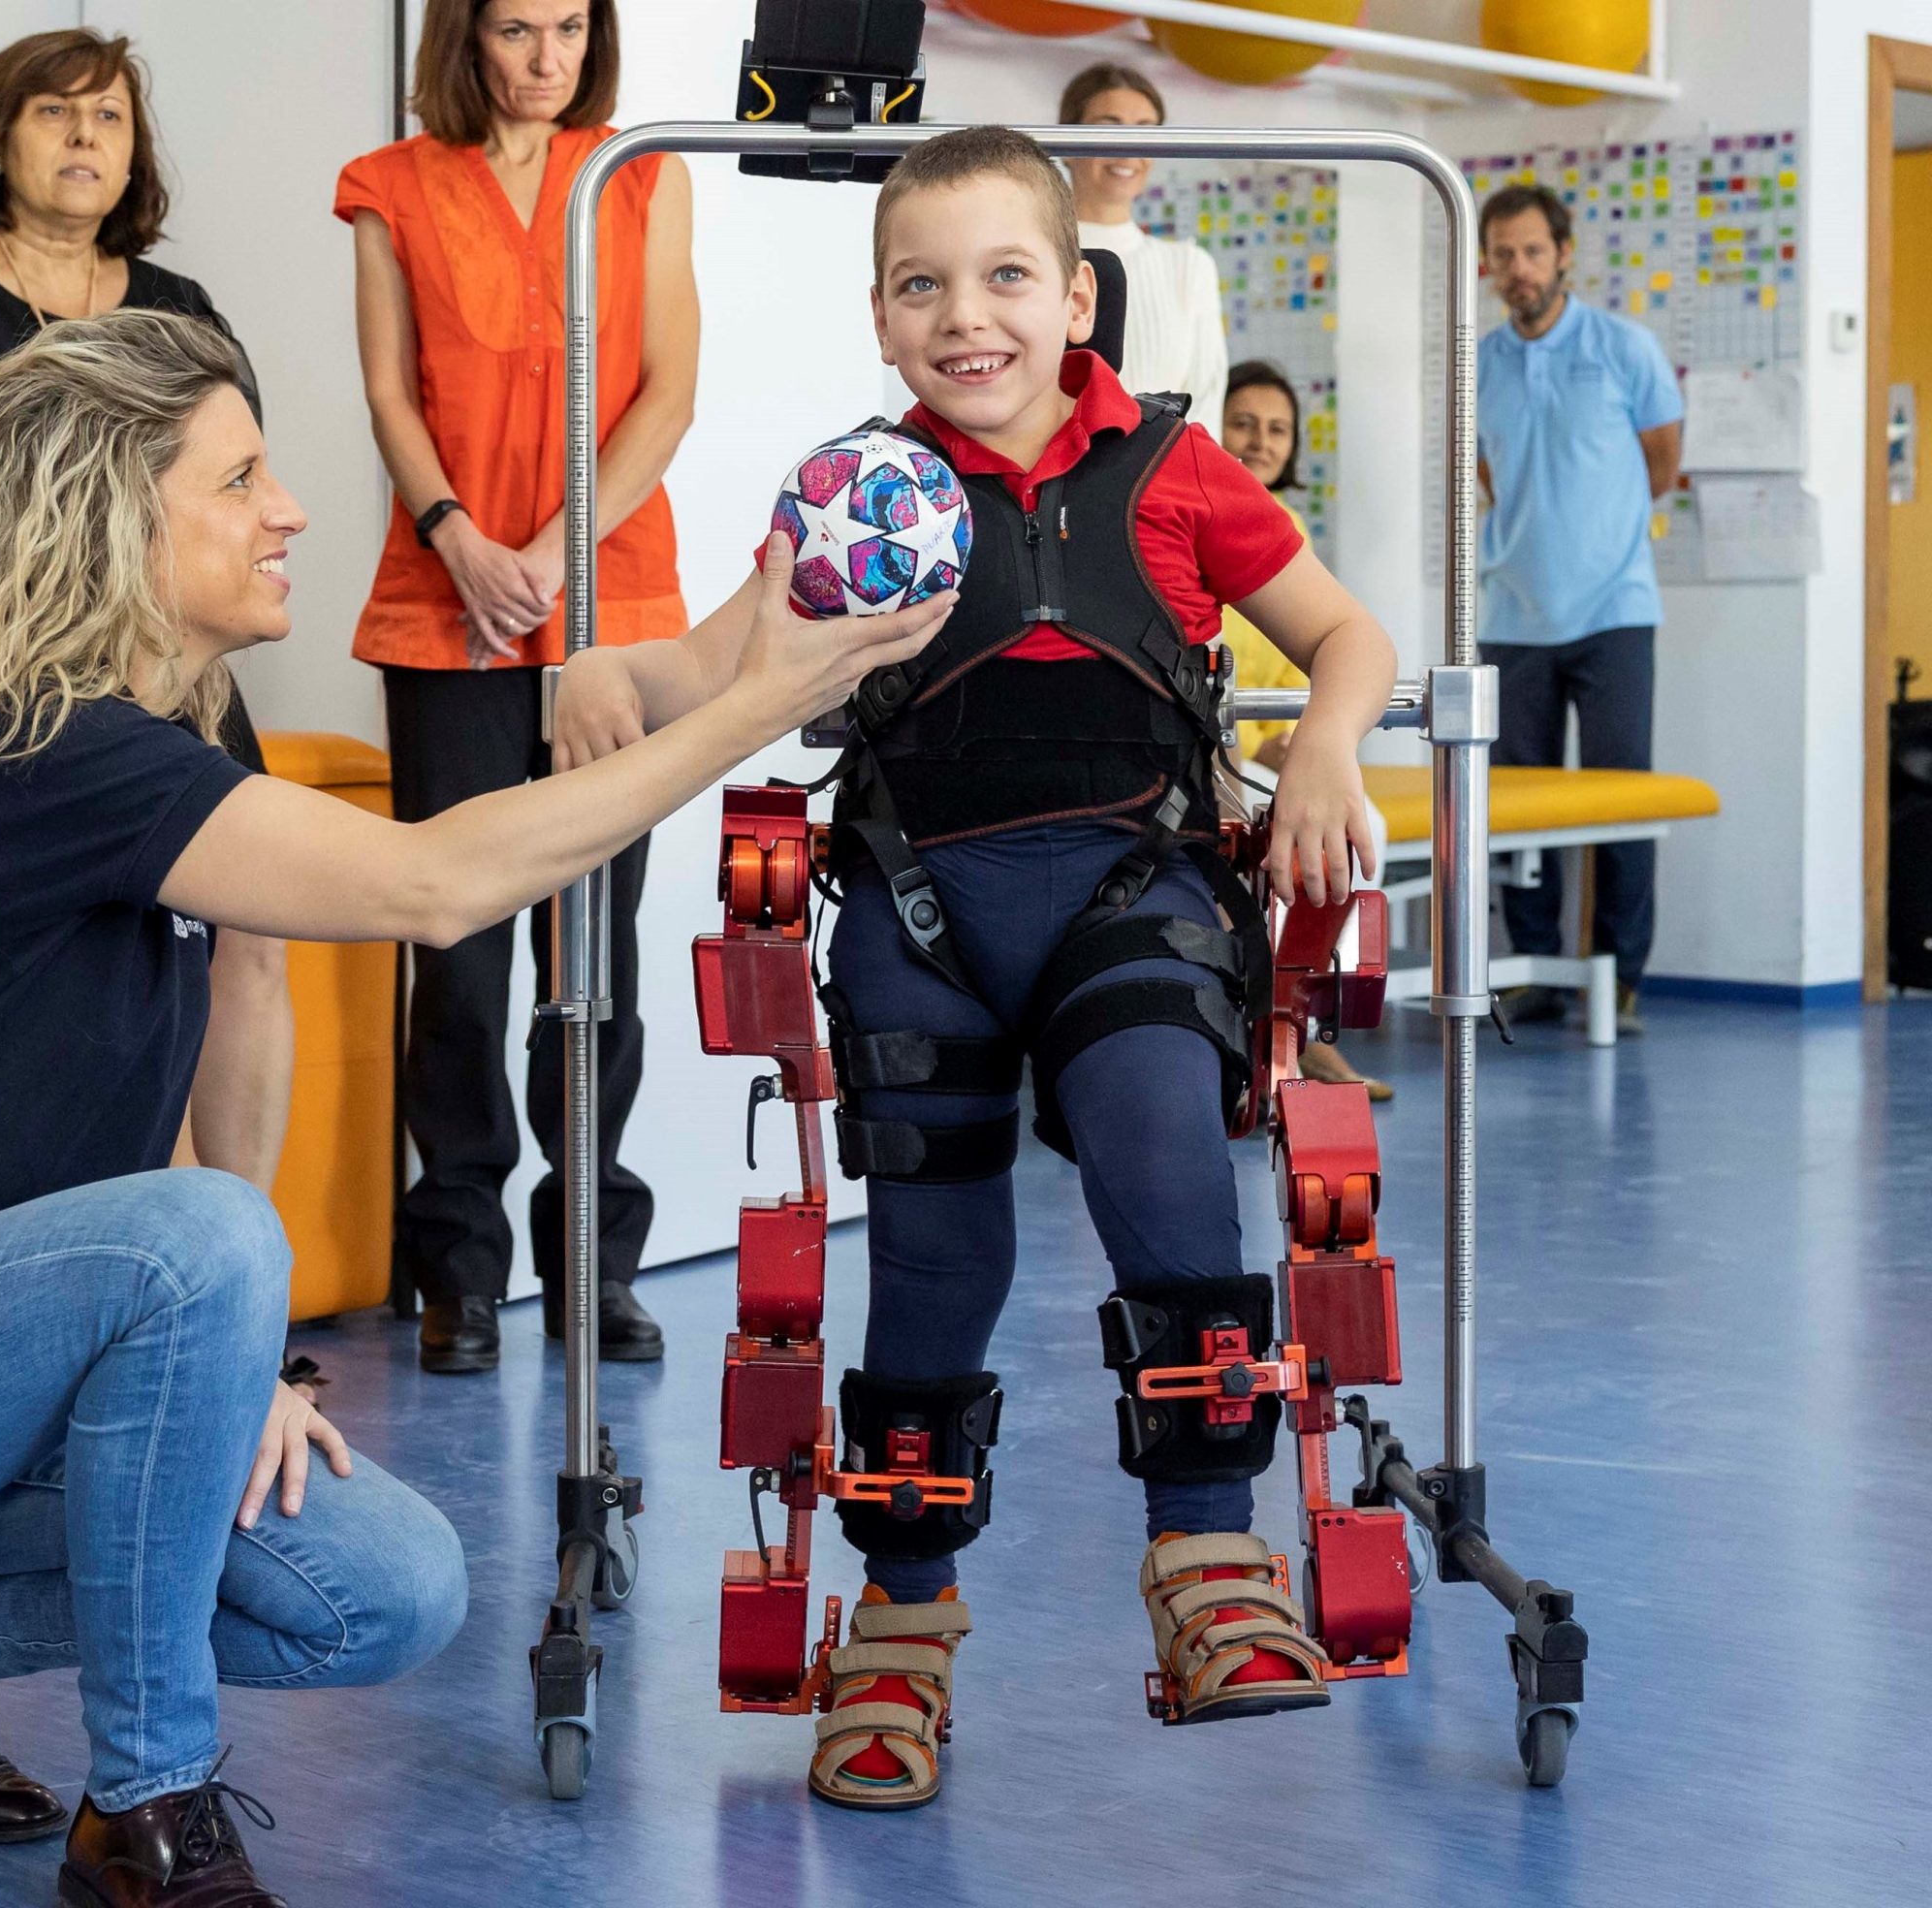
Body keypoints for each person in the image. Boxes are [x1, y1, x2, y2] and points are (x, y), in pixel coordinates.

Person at [0, 307, 950, 1903]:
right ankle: (148, 1815)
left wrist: (202, 1358)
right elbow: (434, 883)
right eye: (240, 478)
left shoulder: (134, 749)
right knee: (209, 1233)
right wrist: (750, 713)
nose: (292, 511)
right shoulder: (42, 750)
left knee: (384, 1588)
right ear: (115, 517)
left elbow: (75, 1141)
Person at [554, 127, 1398, 1811]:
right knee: (934, 1264)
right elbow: (718, 664)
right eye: (922, 286)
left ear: (1077, 298)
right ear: (881, 317)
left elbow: (1346, 633)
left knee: (1166, 1151)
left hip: (1135, 902)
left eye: (1007, 276)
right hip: (922, 919)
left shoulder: (1174, 470)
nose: (967, 315)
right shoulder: (859, 497)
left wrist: (1326, 745)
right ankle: (903, 1618)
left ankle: (1208, 1551)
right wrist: (607, 673)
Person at [0, 25, 292, 1192]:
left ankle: (241, 1247)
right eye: (54, 112)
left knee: (254, 928)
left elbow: (228, 481)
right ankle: (145, 1247)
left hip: (171, 659)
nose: (84, 136)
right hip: (12, 673)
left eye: (108, 116)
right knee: (113, 947)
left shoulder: (177, 305)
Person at [338, 0, 698, 1376]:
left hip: (610, 604)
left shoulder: (640, 171)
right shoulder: (389, 185)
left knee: (594, 950)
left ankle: (594, 1259)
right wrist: (457, 539)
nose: (546, 59)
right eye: (514, 30)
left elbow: (667, 393)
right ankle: (459, 1271)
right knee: (459, 954)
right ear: (465, 37)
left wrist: (557, 555)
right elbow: (390, 394)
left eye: (567, 28)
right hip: (449, 607)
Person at [1475, 181, 1684, 1037]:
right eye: (1503, 255)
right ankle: (1535, 971)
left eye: (1533, 250)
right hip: (1510, 616)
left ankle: (1619, 976)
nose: (1519, 268)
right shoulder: (1478, 361)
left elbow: (1662, 465)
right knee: (1516, 807)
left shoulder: (1625, 348)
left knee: (1622, 799)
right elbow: (1486, 472)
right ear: (1487, 265)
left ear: (1563, 254)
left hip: (1615, 612)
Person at [1219, 360, 1391, 1099]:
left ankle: (1306, 1026)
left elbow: (1308, 666)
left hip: (1269, 747)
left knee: (1358, 824)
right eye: (1244, 423)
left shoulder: (1286, 531)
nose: (1260, 441)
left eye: (1277, 430)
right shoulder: (1187, 510)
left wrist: (1307, 738)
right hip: (1215, 751)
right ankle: (1263, 1033)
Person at [1061, 60, 1226, 428]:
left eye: (1145, 131)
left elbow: (1206, 402)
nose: (1129, 148)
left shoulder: (1190, 266)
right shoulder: (1035, 258)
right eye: (1109, 129)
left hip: (1164, 462)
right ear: (1067, 144)